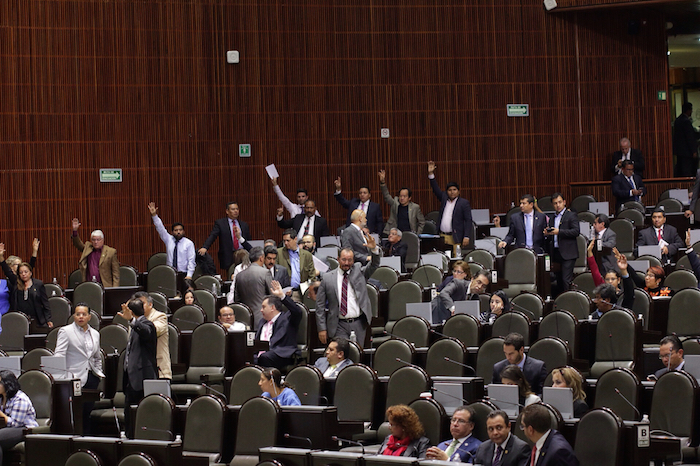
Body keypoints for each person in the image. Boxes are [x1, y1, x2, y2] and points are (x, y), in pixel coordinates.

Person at [316, 241, 381, 347]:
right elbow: (320, 306)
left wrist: (374, 250)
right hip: (338, 324)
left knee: (358, 355)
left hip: (358, 323)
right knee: (340, 356)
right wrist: (322, 328)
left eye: (350, 260)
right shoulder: (327, 278)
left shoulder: (360, 272)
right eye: (344, 259)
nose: (346, 263)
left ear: (353, 260)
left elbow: (374, 264)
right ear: (338, 259)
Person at [54, 303, 104, 434]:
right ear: (74, 316)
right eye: (77, 314)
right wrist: (62, 379)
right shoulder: (66, 331)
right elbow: (59, 355)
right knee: (77, 413)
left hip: (91, 377)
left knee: (87, 412)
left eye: (84, 314)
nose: (80, 317)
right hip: (73, 378)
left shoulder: (95, 333)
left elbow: (97, 356)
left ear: (89, 317)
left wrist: (98, 373)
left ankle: (87, 439)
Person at [117, 298, 157, 432]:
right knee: (129, 415)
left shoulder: (147, 324)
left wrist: (131, 321)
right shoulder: (135, 326)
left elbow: (145, 332)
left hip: (142, 378)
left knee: (141, 416)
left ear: (132, 312)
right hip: (131, 378)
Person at [0, 244, 53, 328]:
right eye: (21, 273)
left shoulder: (38, 284)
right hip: (19, 320)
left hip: (37, 320)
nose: (23, 274)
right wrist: (1, 256)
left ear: (30, 273)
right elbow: (6, 270)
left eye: (26, 272)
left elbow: (45, 304)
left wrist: (48, 319)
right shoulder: (15, 282)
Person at [255, 281, 304, 370]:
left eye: (263, 307)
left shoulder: (287, 318)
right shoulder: (262, 322)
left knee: (265, 357)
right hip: (262, 354)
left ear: (272, 307)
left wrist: (282, 296)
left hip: (281, 354)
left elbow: (297, 311)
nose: (261, 310)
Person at [427, 161, 473, 253]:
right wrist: (431, 174)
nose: (452, 192)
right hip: (442, 236)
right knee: (443, 259)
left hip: (455, 237)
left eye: (454, 190)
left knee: (455, 260)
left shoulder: (464, 203)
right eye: (450, 190)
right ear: (447, 192)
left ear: (458, 191)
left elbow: (468, 220)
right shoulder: (444, 198)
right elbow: (435, 189)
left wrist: (466, 236)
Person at [199, 202, 252, 273]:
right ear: (227, 211)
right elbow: (213, 236)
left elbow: (248, 240)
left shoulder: (243, 224)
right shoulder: (220, 223)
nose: (236, 211)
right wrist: (205, 247)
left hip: (243, 254)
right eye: (233, 209)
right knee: (231, 273)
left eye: (237, 209)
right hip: (228, 254)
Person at [148, 202, 196, 279]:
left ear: (183, 231)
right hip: (170, 273)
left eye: (180, 230)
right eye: (176, 230)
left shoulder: (188, 243)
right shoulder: (169, 240)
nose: (178, 232)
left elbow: (191, 260)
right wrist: (154, 216)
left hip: (183, 274)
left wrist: (189, 275)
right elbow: (160, 228)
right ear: (172, 232)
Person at [0, 370, 38, 463]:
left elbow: (15, 423)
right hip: (6, 429)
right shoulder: (1, 397)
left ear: (7, 384)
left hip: (25, 430)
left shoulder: (20, 398)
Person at [545, 193, 580, 294]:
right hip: (555, 252)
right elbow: (552, 234)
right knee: (558, 280)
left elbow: (576, 232)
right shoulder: (552, 218)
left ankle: (568, 301)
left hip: (568, 253)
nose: (558, 205)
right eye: (555, 203)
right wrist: (547, 233)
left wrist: (559, 232)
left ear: (564, 202)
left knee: (566, 280)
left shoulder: (571, 215)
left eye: (560, 202)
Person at [71, 218, 120, 287]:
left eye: (98, 240)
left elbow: (115, 273)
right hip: (89, 285)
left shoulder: (111, 252)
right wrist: (75, 231)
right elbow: (78, 244)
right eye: (93, 240)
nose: (96, 242)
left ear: (102, 240)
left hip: (105, 285)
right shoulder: (88, 248)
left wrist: (115, 289)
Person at [133, 292, 171, 379]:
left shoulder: (160, 316)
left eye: (142, 303)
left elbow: (151, 332)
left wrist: (134, 321)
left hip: (158, 370)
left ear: (150, 304)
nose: (139, 306)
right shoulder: (134, 320)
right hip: (138, 371)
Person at [234, 247, 272, 329]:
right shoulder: (265, 273)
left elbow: (236, 299)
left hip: (244, 317)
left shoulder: (239, 275)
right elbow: (272, 296)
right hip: (262, 316)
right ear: (261, 258)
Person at [590, 249, 635, 318]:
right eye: (607, 279)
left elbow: (629, 291)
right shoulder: (594, 315)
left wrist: (623, 270)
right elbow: (595, 273)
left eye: (613, 279)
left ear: (606, 301)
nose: (610, 281)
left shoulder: (622, 302)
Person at [379, 169, 425, 235]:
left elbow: (422, 222)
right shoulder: (395, 203)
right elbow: (386, 195)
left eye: (404, 196)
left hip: (409, 234)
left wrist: (417, 234)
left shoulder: (415, 207)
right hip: (395, 234)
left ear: (409, 198)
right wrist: (383, 183)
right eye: (400, 196)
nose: (402, 198)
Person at [276, 229, 316, 298]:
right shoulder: (279, 253)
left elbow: (312, 276)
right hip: (285, 292)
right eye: (284, 241)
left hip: (302, 292)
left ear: (295, 239)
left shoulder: (307, 255)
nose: (285, 243)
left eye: (288, 240)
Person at [674, 102, 699, 177]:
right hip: (687, 151)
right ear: (688, 110)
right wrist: (694, 151)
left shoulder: (677, 120)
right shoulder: (686, 122)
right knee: (687, 170)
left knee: (681, 168)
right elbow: (690, 137)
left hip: (679, 151)